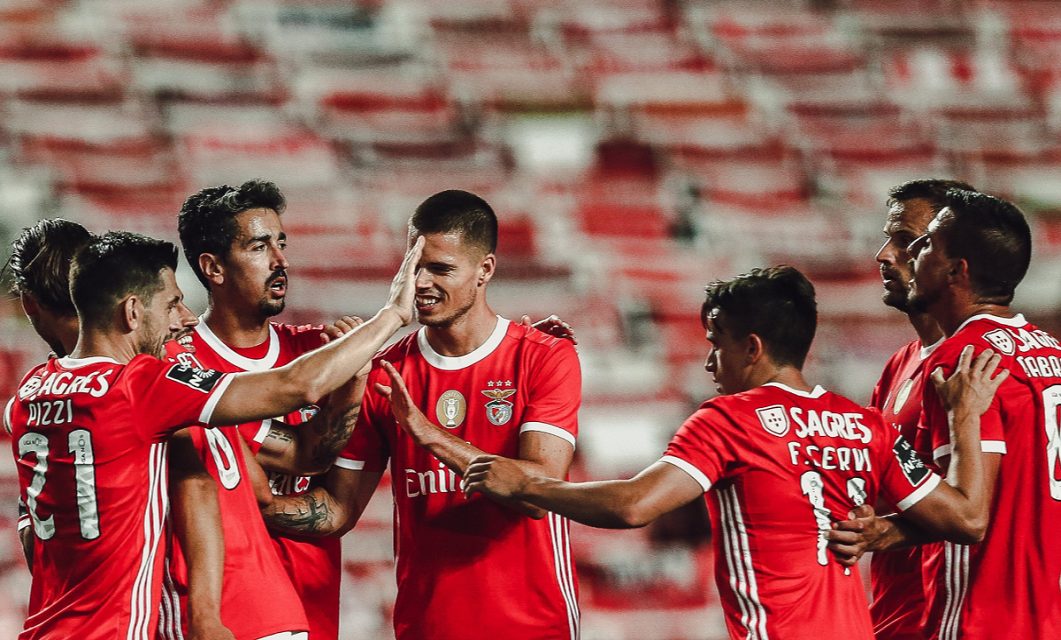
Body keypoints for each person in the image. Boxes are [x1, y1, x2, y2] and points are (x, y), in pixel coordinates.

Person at [458, 265, 1005, 640]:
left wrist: (529, 484)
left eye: (715, 343)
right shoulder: (867, 426)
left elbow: (633, 505)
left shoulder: (729, 420)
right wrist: (964, 419)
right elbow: (966, 517)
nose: (709, 363)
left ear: (752, 347)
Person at [5, 230, 422, 639]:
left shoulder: (25, 398)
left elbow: (32, 539)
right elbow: (296, 389)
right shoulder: (147, 385)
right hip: (147, 622)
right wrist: (393, 316)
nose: (185, 319)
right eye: (172, 304)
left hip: (48, 623)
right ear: (132, 311)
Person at [262, 190, 583, 640]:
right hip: (427, 627)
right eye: (414, 267)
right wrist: (249, 501)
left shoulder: (544, 357)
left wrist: (426, 434)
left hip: (533, 626)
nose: (422, 284)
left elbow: (538, 491)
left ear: (484, 269)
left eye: (441, 269)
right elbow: (336, 511)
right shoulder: (383, 373)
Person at [834, 189, 1061, 640]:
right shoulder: (1050, 352)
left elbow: (968, 514)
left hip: (971, 612)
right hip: (1039, 612)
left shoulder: (962, 360)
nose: (897, 256)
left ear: (958, 268)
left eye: (918, 243)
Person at [868, 178, 974, 640]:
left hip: (950, 612)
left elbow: (992, 504)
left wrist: (898, 531)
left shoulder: (979, 366)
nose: (884, 255)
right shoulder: (902, 362)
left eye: (906, 241)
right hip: (894, 609)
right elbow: (874, 477)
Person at [3, 218, 93, 571]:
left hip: (59, 608)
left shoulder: (23, 404)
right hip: (160, 612)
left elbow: (33, 548)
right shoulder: (146, 377)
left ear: (28, 302)